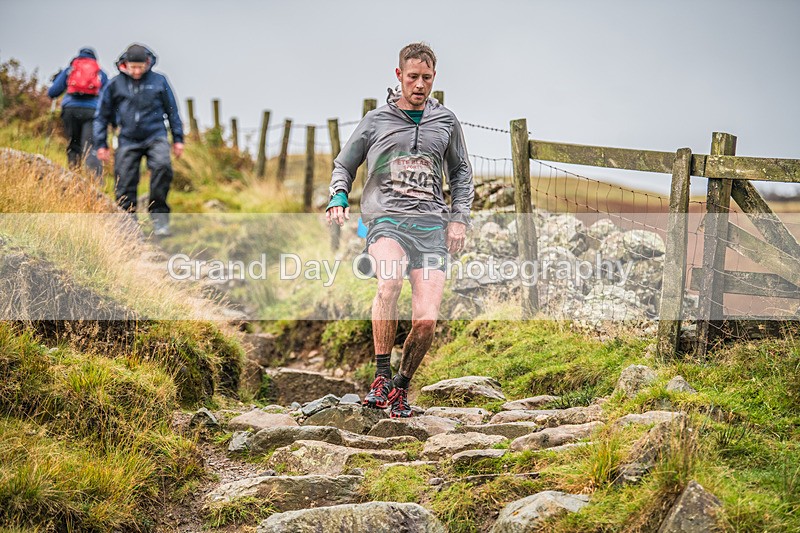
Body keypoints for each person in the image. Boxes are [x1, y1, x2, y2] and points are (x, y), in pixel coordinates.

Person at [326, 42, 474, 418]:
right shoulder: (376, 120)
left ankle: (400, 389)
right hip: (386, 220)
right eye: (412, 77)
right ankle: (380, 376)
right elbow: (344, 164)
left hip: (431, 227)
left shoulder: (446, 122)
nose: (419, 85)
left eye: (426, 78)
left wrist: (459, 218)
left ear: (434, 77)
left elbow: (461, 173)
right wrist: (338, 196)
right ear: (398, 76)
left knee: (426, 321)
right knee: (388, 284)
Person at [93, 43, 184, 236]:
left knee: (162, 167)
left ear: (147, 63)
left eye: (140, 67)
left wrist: (178, 139)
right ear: (125, 64)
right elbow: (102, 115)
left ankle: (160, 221)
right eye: (133, 67)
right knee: (124, 182)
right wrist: (101, 144)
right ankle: (128, 227)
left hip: (155, 135)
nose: (136, 71)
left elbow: (172, 111)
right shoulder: (115, 84)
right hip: (127, 139)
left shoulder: (159, 81)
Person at [48, 47, 108, 177]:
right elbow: (108, 96)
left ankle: (74, 177)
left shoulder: (70, 70)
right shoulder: (100, 73)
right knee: (90, 147)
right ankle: (95, 183)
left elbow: (53, 92)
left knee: (73, 146)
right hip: (92, 111)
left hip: (70, 110)